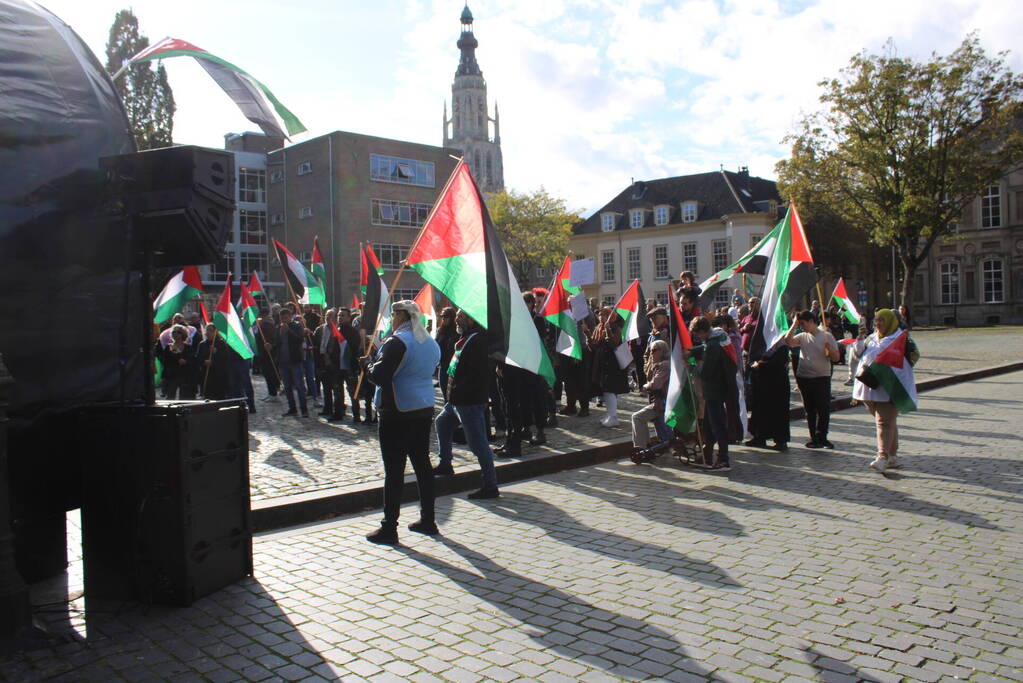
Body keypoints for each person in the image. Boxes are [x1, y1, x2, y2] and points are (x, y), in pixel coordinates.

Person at [365, 300, 442, 544]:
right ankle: (428, 519)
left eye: (393, 314)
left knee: (394, 470)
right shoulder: (429, 341)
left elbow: (379, 376)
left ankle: (389, 526)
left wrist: (366, 364)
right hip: (423, 405)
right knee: (422, 465)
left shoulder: (397, 341)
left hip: (397, 409)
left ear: (400, 316)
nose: (392, 318)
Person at [433, 310, 500, 499]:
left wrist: (463, 392)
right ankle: (445, 464)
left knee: (478, 444)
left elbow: (477, 373)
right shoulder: (466, 338)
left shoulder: (478, 341)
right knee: (442, 423)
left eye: (461, 317)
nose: (457, 320)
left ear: (471, 319)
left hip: (468, 401)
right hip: (456, 400)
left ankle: (490, 485)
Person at [853, 309, 919, 473]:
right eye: (876, 321)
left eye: (881, 321)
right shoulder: (871, 338)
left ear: (891, 321)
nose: (878, 324)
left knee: (883, 422)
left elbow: (913, 357)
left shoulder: (902, 338)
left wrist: (890, 366)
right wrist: (860, 337)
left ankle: (882, 457)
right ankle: (893, 456)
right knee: (888, 422)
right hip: (868, 387)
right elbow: (857, 354)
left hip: (889, 386)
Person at [785, 310, 839, 449]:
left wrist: (830, 350)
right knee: (810, 409)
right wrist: (794, 324)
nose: (801, 326)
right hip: (805, 377)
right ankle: (813, 437)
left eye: (803, 323)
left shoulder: (827, 336)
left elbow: (836, 358)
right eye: (800, 324)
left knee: (823, 408)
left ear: (811, 321)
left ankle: (822, 436)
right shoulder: (802, 336)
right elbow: (788, 341)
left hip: (822, 377)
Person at [689, 316, 735, 471]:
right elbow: (703, 347)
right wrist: (691, 352)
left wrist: (692, 366)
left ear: (702, 331)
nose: (698, 338)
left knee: (718, 426)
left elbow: (706, 372)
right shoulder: (717, 337)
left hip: (714, 390)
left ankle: (723, 460)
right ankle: (707, 455)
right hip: (715, 391)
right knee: (710, 426)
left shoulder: (713, 345)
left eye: (698, 335)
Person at [630, 339, 671, 457]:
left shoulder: (664, 365)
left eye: (654, 350)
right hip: (661, 403)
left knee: (637, 417)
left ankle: (642, 447)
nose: (651, 353)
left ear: (662, 351)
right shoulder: (660, 365)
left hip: (661, 404)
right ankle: (652, 444)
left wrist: (645, 385)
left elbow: (655, 385)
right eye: (650, 351)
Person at [589, 307, 629, 427]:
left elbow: (614, 343)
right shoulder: (598, 328)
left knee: (610, 390)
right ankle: (609, 414)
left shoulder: (615, 327)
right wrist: (587, 334)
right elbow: (594, 347)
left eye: (604, 315)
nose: (601, 317)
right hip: (602, 362)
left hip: (613, 363)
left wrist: (608, 331)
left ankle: (613, 417)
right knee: (605, 391)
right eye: (600, 315)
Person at [274, 307, 308, 417]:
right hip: (283, 362)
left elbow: (299, 340)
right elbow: (277, 343)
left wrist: (288, 331)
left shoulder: (297, 325)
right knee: (287, 387)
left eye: (286, 318)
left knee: (299, 386)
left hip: (295, 361)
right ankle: (292, 408)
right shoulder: (278, 328)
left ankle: (304, 409)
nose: (284, 320)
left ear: (290, 317)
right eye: (282, 318)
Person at [157, 324, 198, 399]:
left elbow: (192, 361)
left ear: (183, 334)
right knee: (170, 397)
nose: (175, 334)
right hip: (172, 376)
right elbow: (165, 362)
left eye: (178, 332)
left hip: (184, 376)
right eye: (173, 332)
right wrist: (164, 377)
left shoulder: (188, 348)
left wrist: (185, 361)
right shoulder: (168, 347)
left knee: (184, 397)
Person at [196, 323, 229, 400]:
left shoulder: (221, 344)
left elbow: (226, 359)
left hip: (218, 376)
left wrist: (216, 352)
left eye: (210, 330)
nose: (208, 332)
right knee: (208, 396)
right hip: (206, 375)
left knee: (219, 397)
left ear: (215, 332)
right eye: (207, 330)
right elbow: (198, 358)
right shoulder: (202, 344)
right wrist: (204, 361)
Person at [434, 307, 457, 401]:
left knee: (453, 395)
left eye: (446, 316)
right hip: (443, 366)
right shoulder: (440, 331)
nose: (443, 318)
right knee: (445, 394)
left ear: (452, 317)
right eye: (442, 316)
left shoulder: (457, 331)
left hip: (453, 367)